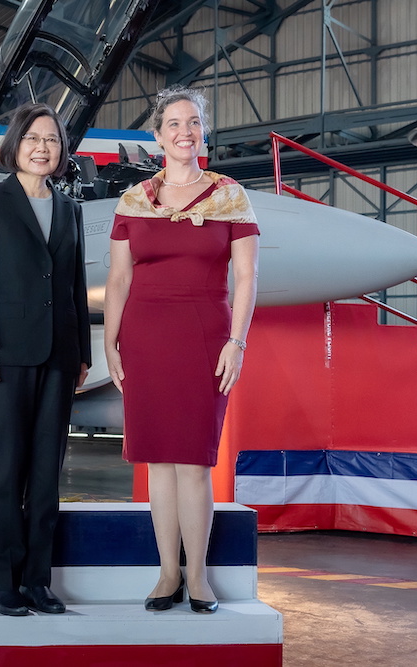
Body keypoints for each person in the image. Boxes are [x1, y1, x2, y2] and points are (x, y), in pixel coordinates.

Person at [104, 85, 260, 614]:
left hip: (204, 336)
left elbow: (247, 277)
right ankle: (167, 572)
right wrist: (110, 340)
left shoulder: (231, 195)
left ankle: (198, 577)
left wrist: (236, 341)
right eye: (173, 123)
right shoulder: (133, 200)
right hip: (145, 336)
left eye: (193, 122)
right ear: (157, 136)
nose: (184, 131)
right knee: (158, 463)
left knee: (193, 460)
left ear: (204, 132)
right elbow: (119, 278)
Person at [0, 102, 92, 617]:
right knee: (7, 471)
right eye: (34, 138)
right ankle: (4, 583)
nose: (43, 148)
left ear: (61, 152)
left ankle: (38, 580)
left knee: (45, 474)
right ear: (16, 145)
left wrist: (80, 350)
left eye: (53, 141)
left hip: (59, 356)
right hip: (5, 357)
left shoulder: (70, 209)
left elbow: (75, 287)